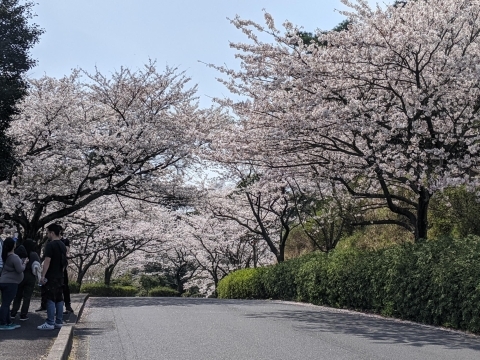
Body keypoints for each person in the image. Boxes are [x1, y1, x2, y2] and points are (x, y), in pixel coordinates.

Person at [37, 224, 67, 330]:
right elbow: (64, 262)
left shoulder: (50, 245)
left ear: (52, 233)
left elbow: (47, 261)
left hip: (51, 276)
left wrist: (43, 275)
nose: (47, 235)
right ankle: (59, 321)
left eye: (48, 232)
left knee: (50, 298)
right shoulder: (63, 245)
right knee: (59, 298)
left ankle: (50, 322)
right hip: (60, 276)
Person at [0, 237, 27, 330]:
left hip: (4, 281)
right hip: (10, 283)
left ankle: (8, 322)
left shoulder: (6, 255)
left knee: (5, 303)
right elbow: (20, 269)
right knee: (6, 304)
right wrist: (25, 263)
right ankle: (3, 323)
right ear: (13, 245)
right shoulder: (14, 257)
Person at [11, 239, 41, 321]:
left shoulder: (19, 253)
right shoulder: (34, 254)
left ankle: (13, 312)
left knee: (18, 295)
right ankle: (23, 314)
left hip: (20, 275)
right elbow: (38, 266)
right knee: (27, 296)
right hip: (30, 277)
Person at [60, 232, 74, 314]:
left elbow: (67, 252)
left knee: (65, 287)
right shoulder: (50, 241)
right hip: (56, 268)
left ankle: (68, 306)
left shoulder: (65, 241)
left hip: (62, 267)